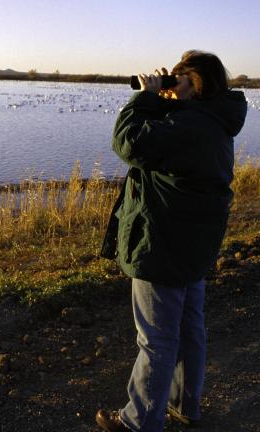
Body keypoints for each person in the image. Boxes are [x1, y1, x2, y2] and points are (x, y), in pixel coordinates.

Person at [95, 51, 248, 432]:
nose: (172, 83)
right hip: (192, 244)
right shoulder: (214, 120)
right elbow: (167, 146)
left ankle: (139, 422)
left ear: (198, 83)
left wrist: (145, 97)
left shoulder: (190, 126)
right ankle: (185, 405)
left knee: (157, 339)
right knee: (188, 329)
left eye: (180, 78)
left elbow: (128, 142)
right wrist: (168, 101)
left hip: (162, 244)